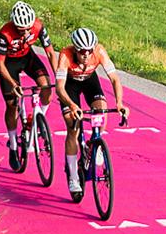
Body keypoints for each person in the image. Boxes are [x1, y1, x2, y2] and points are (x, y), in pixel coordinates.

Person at [55, 24, 128, 201]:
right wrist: (72, 105)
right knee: (73, 128)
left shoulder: (99, 52)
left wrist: (119, 103)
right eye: (82, 52)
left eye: (89, 51)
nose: (86, 55)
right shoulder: (65, 55)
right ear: (75, 49)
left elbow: (115, 79)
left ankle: (94, 144)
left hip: (89, 81)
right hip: (70, 86)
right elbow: (59, 88)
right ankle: (73, 177)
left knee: (101, 111)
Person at [0, 0, 58, 162]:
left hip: (28, 58)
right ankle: (14, 144)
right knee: (12, 105)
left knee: (46, 88)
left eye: (28, 29)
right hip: (10, 64)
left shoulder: (38, 26)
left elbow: (51, 53)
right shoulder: (6, 33)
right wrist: (15, 85)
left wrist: (59, 76)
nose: (25, 33)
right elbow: (0, 65)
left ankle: (38, 121)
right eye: (21, 30)